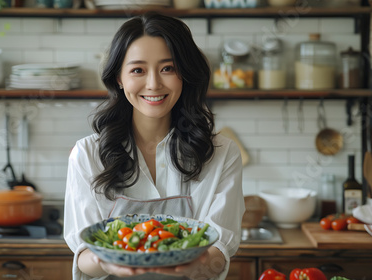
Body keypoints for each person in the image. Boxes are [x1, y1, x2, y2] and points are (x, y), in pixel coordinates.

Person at [64, 12, 244, 280]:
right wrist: (109, 262)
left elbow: (219, 252)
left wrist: (194, 265)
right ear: (119, 78)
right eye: (138, 70)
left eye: (167, 68)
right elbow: (85, 255)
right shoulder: (87, 154)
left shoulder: (222, 154)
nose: (153, 84)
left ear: (185, 74)